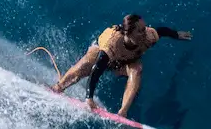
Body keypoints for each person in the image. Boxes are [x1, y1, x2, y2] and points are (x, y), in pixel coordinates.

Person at [49, 14, 192, 117]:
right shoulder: (112, 44)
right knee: (87, 62)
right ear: (128, 33)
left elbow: (161, 31)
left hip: (123, 62)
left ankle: (123, 112)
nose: (145, 32)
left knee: (137, 69)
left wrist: (176, 34)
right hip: (102, 54)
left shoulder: (148, 36)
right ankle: (59, 87)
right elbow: (96, 71)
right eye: (140, 30)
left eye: (144, 28)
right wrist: (89, 98)